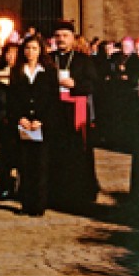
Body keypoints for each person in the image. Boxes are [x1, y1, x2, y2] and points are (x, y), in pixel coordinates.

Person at [7, 35, 60, 216]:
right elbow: (12, 99)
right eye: (27, 48)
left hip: (41, 125)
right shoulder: (17, 71)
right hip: (22, 124)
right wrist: (19, 118)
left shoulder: (49, 71)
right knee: (24, 165)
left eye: (34, 48)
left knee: (41, 165)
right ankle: (26, 203)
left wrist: (42, 120)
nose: (30, 52)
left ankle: (39, 205)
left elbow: (53, 100)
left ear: (41, 51)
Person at [52, 21, 98, 209]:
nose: (61, 39)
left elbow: (93, 85)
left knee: (77, 152)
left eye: (65, 36)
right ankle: (55, 194)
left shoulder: (83, 60)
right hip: (54, 112)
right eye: (58, 36)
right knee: (55, 152)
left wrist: (75, 85)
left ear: (72, 38)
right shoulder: (48, 58)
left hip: (75, 111)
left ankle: (79, 194)